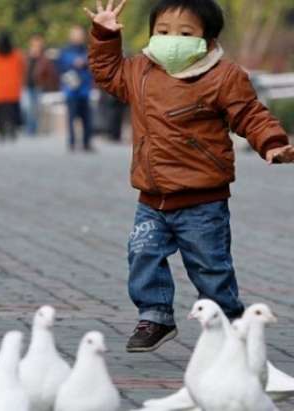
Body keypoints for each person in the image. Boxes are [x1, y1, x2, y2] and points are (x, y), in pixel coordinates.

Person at [85, 0, 294, 353]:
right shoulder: (140, 72)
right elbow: (107, 72)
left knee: (210, 268)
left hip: (203, 200)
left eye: (185, 33)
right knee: (142, 254)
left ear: (208, 41)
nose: (172, 40)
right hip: (152, 197)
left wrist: (272, 143)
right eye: (163, 32)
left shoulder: (223, 76)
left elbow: (250, 114)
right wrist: (104, 34)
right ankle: (156, 316)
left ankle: (229, 323)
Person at [58, 25, 94, 152]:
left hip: (84, 90)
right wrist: (72, 63)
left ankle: (87, 143)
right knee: (71, 118)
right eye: (75, 34)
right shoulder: (65, 51)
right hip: (71, 90)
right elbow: (60, 67)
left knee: (87, 118)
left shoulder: (88, 50)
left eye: (79, 35)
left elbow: (94, 66)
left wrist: (85, 63)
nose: (77, 37)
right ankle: (72, 143)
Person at [0, 32, 24, 142]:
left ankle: (1, 132)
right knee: (12, 113)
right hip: (12, 89)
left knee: (0, 114)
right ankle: (12, 130)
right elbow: (21, 69)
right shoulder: (17, 55)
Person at [22, 34, 59, 136]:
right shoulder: (25, 57)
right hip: (26, 86)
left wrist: (46, 83)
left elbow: (51, 74)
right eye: (34, 45)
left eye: (38, 45)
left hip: (38, 86)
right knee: (26, 107)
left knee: (35, 109)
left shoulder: (44, 59)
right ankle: (29, 127)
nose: (35, 47)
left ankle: (32, 129)